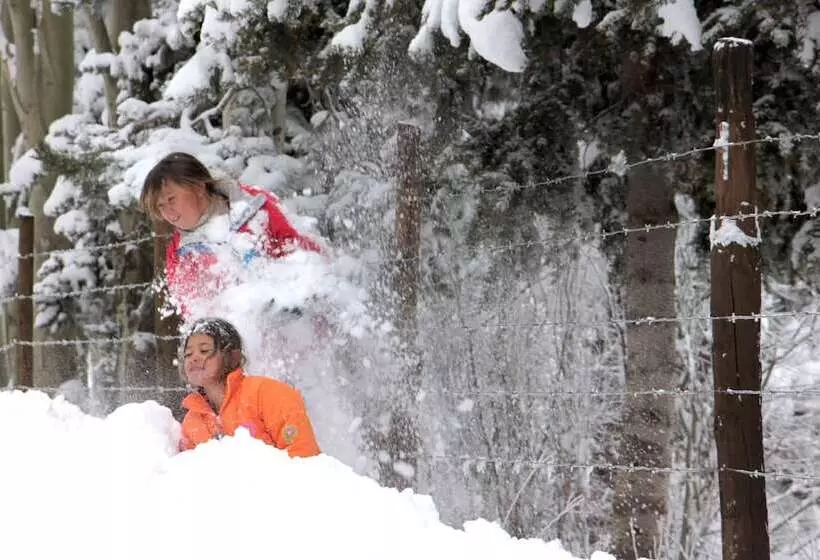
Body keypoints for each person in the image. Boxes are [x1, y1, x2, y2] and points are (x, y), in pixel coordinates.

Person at [139, 152, 322, 318]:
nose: (168, 212)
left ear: (199, 187)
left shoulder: (253, 206)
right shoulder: (180, 253)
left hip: (299, 313)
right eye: (161, 206)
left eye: (171, 199)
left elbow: (300, 251)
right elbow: (194, 312)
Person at [177, 316, 321, 458]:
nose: (193, 358)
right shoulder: (192, 421)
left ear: (232, 356)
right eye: (188, 354)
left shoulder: (268, 394)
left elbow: (304, 457)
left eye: (204, 350)